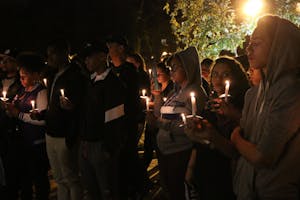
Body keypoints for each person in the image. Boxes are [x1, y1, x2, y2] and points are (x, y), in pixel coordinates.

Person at [185, 15, 300, 200]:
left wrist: (236, 136)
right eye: (250, 41)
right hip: (245, 191)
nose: (249, 47)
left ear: (279, 47)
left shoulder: (291, 92)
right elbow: (237, 153)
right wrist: (210, 135)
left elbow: (263, 157)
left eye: (258, 42)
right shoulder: (253, 95)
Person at [147, 46, 207, 200]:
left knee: (179, 193)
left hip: (181, 152)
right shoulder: (175, 92)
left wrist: (160, 123)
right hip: (167, 152)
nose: (171, 71)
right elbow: (159, 115)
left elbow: (188, 125)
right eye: (170, 67)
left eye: (174, 67)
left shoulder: (195, 92)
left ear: (187, 67)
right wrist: (158, 96)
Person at [186, 56, 250, 200]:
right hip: (205, 168)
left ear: (236, 77)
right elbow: (199, 143)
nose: (218, 79)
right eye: (215, 74)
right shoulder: (210, 104)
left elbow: (236, 150)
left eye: (225, 74)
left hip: (227, 173)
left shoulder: (244, 105)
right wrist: (190, 167)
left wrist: (231, 115)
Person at [79, 41, 126, 200]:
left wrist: (109, 148)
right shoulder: (91, 81)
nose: (86, 61)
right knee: (91, 189)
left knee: (107, 189)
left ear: (101, 57)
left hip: (102, 145)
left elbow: (115, 118)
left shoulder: (112, 83)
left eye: (89, 58)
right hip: (87, 143)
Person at [4, 52, 50, 200]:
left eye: (25, 75)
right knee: (25, 179)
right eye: (21, 75)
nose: (22, 78)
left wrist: (18, 114)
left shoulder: (41, 92)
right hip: (23, 143)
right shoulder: (22, 91)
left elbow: (41, 119)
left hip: (36, 143)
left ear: (36, 75)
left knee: (39, 178)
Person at [106, 35, 146, 199]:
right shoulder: (110, 71)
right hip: (113, 124)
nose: (108, 49)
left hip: (125, 124)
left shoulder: (129, 71)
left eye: (111, 46)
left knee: (126, 159)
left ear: (121, 48)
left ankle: (135, 189)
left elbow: (130, 100)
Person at [44, 39, 85, 200]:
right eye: (48, 55)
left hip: (65, 134)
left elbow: (81, 104)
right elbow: (52, 105)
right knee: (59, 178)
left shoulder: (75, 75)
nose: (49, 58)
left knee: (71, 178)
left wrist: (72, 106)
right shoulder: (53, 74)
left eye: (52, 54)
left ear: (63, 53)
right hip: (51, 132)